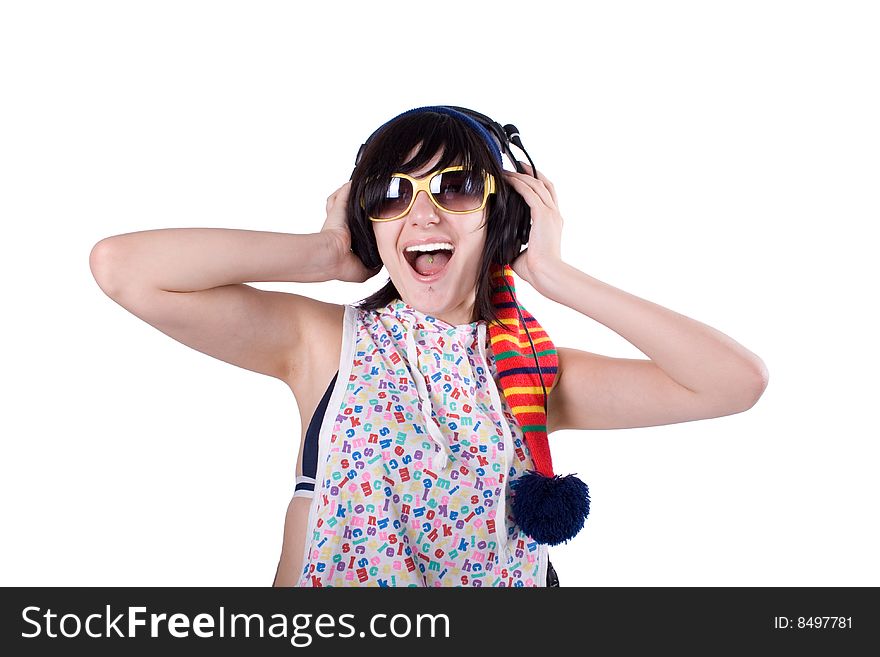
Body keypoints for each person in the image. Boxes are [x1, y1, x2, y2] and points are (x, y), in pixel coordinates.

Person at [89, 105, 769, 588]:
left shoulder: (531, 375)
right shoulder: (326, 344)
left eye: (458, 186)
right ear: (371, 223)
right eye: (392, 194)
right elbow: (123, 267)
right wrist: (325, 252)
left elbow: (734, 382)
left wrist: (559, 275)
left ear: (502, 214)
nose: (422, 213)